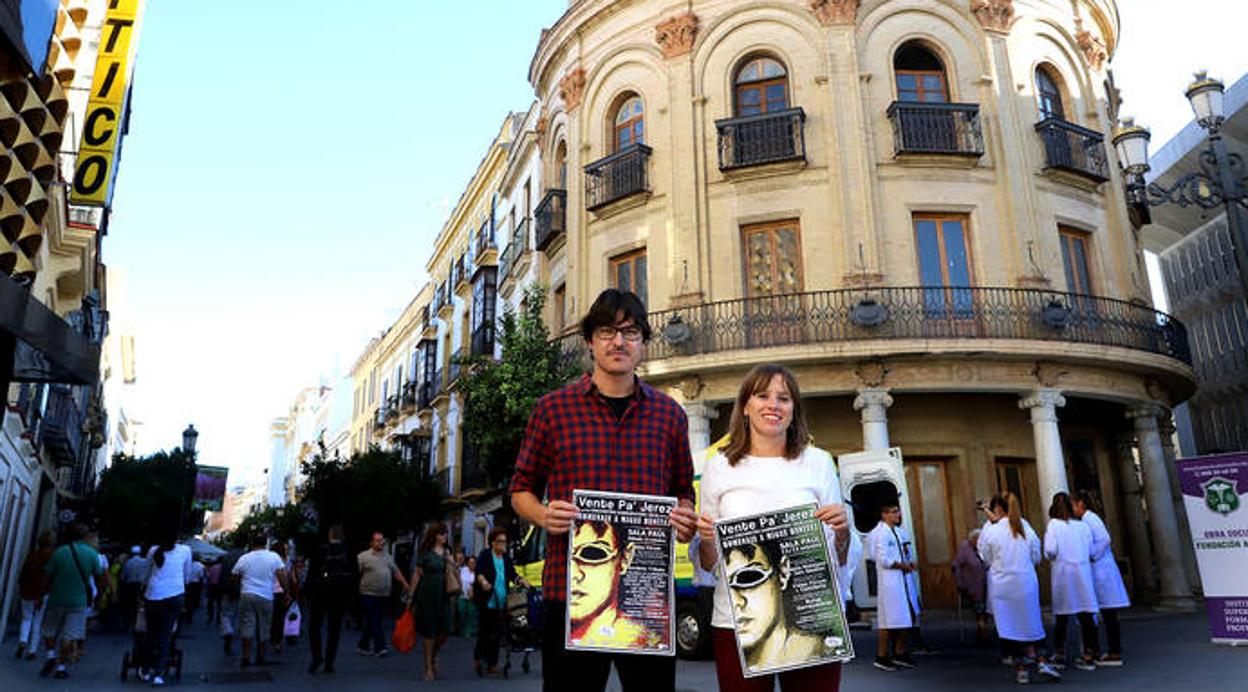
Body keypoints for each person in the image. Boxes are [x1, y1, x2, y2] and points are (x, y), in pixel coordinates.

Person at [510, 288, 698, 692]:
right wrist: (542, 515)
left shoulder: (670, 415)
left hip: (645, 597)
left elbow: (685, 490)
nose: (619, 341)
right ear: (591, 341)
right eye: (608, 331)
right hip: (568, 593)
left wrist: (685, 517)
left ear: (644, 343)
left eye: (630, 332)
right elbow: (520, 488)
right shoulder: (552, 409)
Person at [695, 363, 858, 691]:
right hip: (738, 620)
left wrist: (842, 533)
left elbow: (839, 553)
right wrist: (708, 538)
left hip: (810, 615)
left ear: (793, 409)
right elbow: (708, 562)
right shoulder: (719, 467)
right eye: (762, 395)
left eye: (784, 398)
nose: (773, 405)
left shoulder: (819, 462)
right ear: (745, 406)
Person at [978, 494, 1060, 685]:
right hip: (1025, 582)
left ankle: (1021, 669)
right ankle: (1041, 661)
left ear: (997, 509)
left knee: (1010, 628)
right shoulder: (1025, 526)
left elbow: (985, 556)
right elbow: (1036, 555)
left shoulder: (992, 530)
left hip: (1003, 585)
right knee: (1032, 623)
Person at [567, 520, 662, 649]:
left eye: (592, 553)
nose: (573, 573)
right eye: (566, 557)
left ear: (625, 558)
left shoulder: (645, 639)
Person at [39, 524, 108, 680]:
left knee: (49, 629)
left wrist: (41, 595)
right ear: (84, 538)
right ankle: (61, 668)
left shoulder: (59, 552)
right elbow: (99, 578)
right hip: (79, 601)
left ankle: (50, 656)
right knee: (69, 636)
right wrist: (100, 595)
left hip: (57, 598)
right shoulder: (92, 554)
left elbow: (47, 577)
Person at [1073, 490, 1130, 666]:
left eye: (1074, 505)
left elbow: (1105, 539)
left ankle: (1113, 652)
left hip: (1101, 570)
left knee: (1108, 613)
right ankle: (1109, 651)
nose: (1073, 509)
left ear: (1081, 504)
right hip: (1098, 571)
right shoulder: (1086, 519)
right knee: (1106, 613)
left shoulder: (1090, 518)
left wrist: (1092, 555)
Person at [1045, 491, 1099, 670]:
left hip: (1064, 573)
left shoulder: (1053, 525)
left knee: (1062, 616)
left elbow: (1050, 550)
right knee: (1086, 615)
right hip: (1082, 573)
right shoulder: (1082, 526)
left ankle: (1060, 654)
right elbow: (1091, 549)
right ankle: (1089, 654)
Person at [868, 502, 920, 671]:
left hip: (903, 580)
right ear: (884, 514)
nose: (897, 515)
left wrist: (909, 563)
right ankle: (882, 656)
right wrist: (901, 566)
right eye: (893, 512)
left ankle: (899, 653)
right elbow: (882, 560)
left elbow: (905, 552)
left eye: (898, 511)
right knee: (888, 620)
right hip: (890, 583)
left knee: (906, 618)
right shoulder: (881, 534)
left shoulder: (899, 532)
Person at [231, 535, 289, 668]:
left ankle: (245, 655)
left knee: (247, 625)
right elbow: (282, 575)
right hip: (266, 596)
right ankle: (261, 655)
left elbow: (234, 575)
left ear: (252, 544)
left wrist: (238, 587)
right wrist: (287, 592)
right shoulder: (273, 557)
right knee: (264, 626)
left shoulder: (245, 558)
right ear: (266, 544)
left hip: (247, 594)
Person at [141, 536, 192, 686]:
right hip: (175, 595)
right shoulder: (185, 550)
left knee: (151, 634)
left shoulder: (153, 550)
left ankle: (145, 669)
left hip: (153, 595)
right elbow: (187, 574)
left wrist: (143, 587)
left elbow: (147, 573)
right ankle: (159, 673)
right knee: (166, 635)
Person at [307, 525, 356, 674]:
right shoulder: (348, 551)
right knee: (334, 628)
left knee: (314, 626)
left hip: (320, 593)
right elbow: (354, 573)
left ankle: (317, 657)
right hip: (339, 594)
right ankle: (330, 661)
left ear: (329, 536)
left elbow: (312, 572)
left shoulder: (319, 549)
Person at [474, 528, 520, 676]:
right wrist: (483, 582)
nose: (503, 544)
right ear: (493, 542)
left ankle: (492, 664)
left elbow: (512, 574)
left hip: (502, 601)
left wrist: (521, 581)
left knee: (497, 633)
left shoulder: (506, 558)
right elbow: (479, 572)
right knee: (485, 632)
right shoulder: (486, 555)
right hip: (488, 600)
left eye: (505, 542)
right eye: (501, 541)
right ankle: (478, 658)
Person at [410, 524, 453, 680]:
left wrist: (451, 561)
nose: (445, 536)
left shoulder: (448, 552)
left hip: (444, 595)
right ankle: (428, 666)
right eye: (442, 534)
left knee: (444, 631)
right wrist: (410, 596)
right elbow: (417, 574)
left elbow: (453, 571)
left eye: (446, 534)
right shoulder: (425, 554)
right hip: (427, 594)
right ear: (435, 536)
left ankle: (433, 656)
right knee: (430, 632)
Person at [356, 531, 409, 658]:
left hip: (384, 594)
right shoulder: (363, 557)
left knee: (374, 620)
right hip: (368, 593)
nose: (381, 543)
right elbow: (356, 574)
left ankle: (363, 644)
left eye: (382, 541)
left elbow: (395, 571)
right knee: (375, 619)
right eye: (378, 540)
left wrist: (405, 584)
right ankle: (380, 647)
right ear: (372, 542)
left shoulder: (387, 556)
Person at [15, 531, 54, 660]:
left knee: (26, 618)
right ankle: (32, 651)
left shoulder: (32, 555)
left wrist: (21, 587)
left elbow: (23, 574)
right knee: (38, 621)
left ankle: (23, 640)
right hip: (42, 593)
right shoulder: (51, 557)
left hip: (27, 591)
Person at [951, 528, 990, 644]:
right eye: (978, 539)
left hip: (986, 585)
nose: (980, 542)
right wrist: (959, 583)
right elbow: (955, 565)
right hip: (973, 586)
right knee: (980, 612)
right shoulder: (965, 549)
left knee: (985, 612)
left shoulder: (982, 549)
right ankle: (983, 637)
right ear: (973, 539)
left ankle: (981, 633)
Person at [269, 543, 292, 654]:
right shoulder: (285, 561)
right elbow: (286, 576)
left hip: (268, 591)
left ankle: (272, 639)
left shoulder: (268, 560)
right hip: (279, 591)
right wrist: (288, 591)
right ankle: (277, 641)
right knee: (279, 617)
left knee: (272, 617)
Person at [119, 544, 149, 632]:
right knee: (140, 606)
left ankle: (128, 625)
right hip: (141, 586)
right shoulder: (145, 561)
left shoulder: (128, 562)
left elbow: (123, 576)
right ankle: (139, 625)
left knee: (128, 606)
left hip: (130, 586)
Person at [459, 554, 477, 638]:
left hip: (472, 597)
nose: (471, 564)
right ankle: (461, 629)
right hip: (462, 595)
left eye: (473, 563)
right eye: (470, 562)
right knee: (461, 612)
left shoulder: (478, 573)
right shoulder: (463, 570)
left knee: (471, 614)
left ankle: (468, 631)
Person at [184, 557, 206, 625]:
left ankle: (185, 613)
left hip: (186, 583)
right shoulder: (201, 566)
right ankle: (190, 615)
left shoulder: (187, 564)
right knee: (192, 599)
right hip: (196, 584)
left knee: (186, 599)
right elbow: (201, 576)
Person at [206, 558, 225, 624]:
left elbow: (208, 576)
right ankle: (218, 618)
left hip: (212, 586)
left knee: (211, 602)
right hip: (221, 586)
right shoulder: (224, 568)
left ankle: (210, 616)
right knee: (219, 602)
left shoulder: (213, 567)